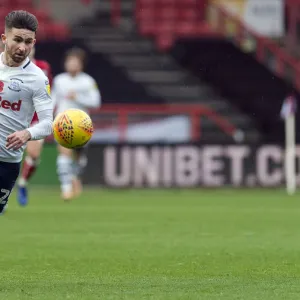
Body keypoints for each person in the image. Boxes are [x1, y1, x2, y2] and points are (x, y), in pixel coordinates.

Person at [0, 10, 53, 214]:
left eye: (28, 42)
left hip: (6, 163)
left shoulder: (38, 79)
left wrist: (27, 133)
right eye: (18, 40)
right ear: (5, 38)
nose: (23, 47)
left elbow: (48, 123)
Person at [52, 47, 101, 200]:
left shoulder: (88, 81)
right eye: (69, 61)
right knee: (64, 153)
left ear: (81, 64)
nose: (72, 64)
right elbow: (53, 100)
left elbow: (96, 102)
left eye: (75, 62)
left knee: (80, 160)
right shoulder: (59, 80)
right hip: (63, 122)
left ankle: (75, 176)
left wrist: (78, 97)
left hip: (82, 125)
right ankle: (66, 188)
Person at [17, 46, 53, 206]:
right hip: (13, 117)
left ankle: (23, 183)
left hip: (35, 119)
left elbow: (48, 91)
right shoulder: (8, 68)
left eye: (29, 43)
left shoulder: (43, 67)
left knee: (34, 154)